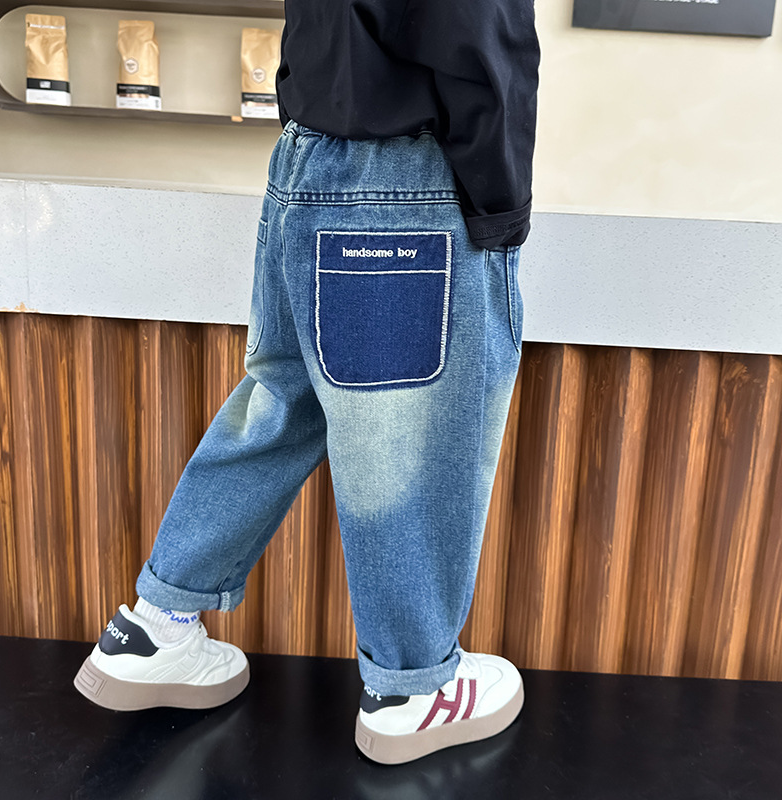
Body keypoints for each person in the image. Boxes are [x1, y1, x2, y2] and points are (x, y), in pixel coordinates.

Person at [74, 0, 540, 765]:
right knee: (409, 437)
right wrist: (500, 205)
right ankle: (412, 688)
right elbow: (475, 34)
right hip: (405, 182)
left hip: (304, 160)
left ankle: (154, 627)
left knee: (280, 406)